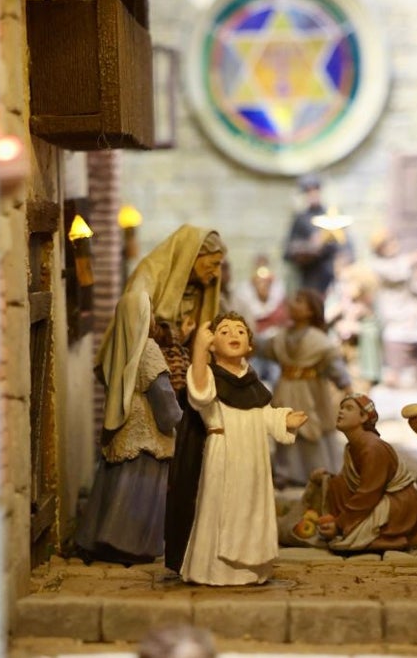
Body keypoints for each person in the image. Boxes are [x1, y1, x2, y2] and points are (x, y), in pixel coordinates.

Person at [94, 225, 224, 567]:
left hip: (179, 383)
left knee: (179, 463)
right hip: (150, 382)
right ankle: (132, 537)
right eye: (210, 264)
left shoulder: (198, 290)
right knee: (142, 467)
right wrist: (171, 336)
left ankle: (172, 530)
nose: (215, 274)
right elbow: (137, 317)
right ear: (191, 257)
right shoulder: (150, 275)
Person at [178, 312, 309, 585]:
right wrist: (199, 352)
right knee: (222, 510)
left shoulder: (251, 380)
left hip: (254, 458)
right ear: (213, 344)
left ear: (250, 345)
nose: (233, 335)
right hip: (225, 452)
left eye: (239, 331)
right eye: (224, 332)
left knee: (252, 510)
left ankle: (250, 566)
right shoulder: (209, 375)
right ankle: (214, 570)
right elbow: (199, 395)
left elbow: (262, 414)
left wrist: (284, 420)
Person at [75, 296, 182, 562]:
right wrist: (177, 417)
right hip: (146, 428)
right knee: (140, 488)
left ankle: (96, 538)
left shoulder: (116, 346)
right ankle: (130, 545)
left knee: (113, 485)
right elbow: (162, 393)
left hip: (122, 425)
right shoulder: (148, 349)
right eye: (151, 314)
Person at [254, 289, 351, 488]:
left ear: (310, 311)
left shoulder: (320, 341)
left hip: (311, 392)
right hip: (285, 388)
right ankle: (286, 471)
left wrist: (346, 386)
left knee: (312, 428)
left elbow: (333, 364)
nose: (293, 304)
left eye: (299, 301)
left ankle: (318, 470)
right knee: (285, 427)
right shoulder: (282, 336)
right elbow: (265, 347)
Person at [313, 393, 417, 552]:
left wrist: (340, 523)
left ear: (363, 417)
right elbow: (349, 481)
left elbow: (369, 492)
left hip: (396, 504)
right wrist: (326, 479)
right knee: (336, 484)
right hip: (375, 497)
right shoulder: (353, 446)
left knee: (351, 541)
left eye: (349, 408)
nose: (341, 412)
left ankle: (396, 539)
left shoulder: (373, 448)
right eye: (341, 408)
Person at [367, 228, 417, 387]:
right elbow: (397, 272)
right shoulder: (379, 265)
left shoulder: (403, 261)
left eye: (392, 241)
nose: (391, 245)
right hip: (395, 323)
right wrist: (413, 260)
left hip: (413, 321)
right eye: (385, 244)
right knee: (396, 374)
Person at [231, 257, 289, 387]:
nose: (263, 286)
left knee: (276, 377)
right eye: (259, 283)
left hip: (274, 346)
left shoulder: (279, 297)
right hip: (253, 348)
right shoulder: (244, 300)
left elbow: (283, 321)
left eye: (266, 283)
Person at [283, 173, 343, 296]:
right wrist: (310, 246)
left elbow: (344, 246)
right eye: (309, 191)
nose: (313, 194)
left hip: (331, 277)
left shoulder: (332, 216)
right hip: (310, 278)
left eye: (315, 190)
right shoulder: (301, 219)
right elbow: (287, 251)